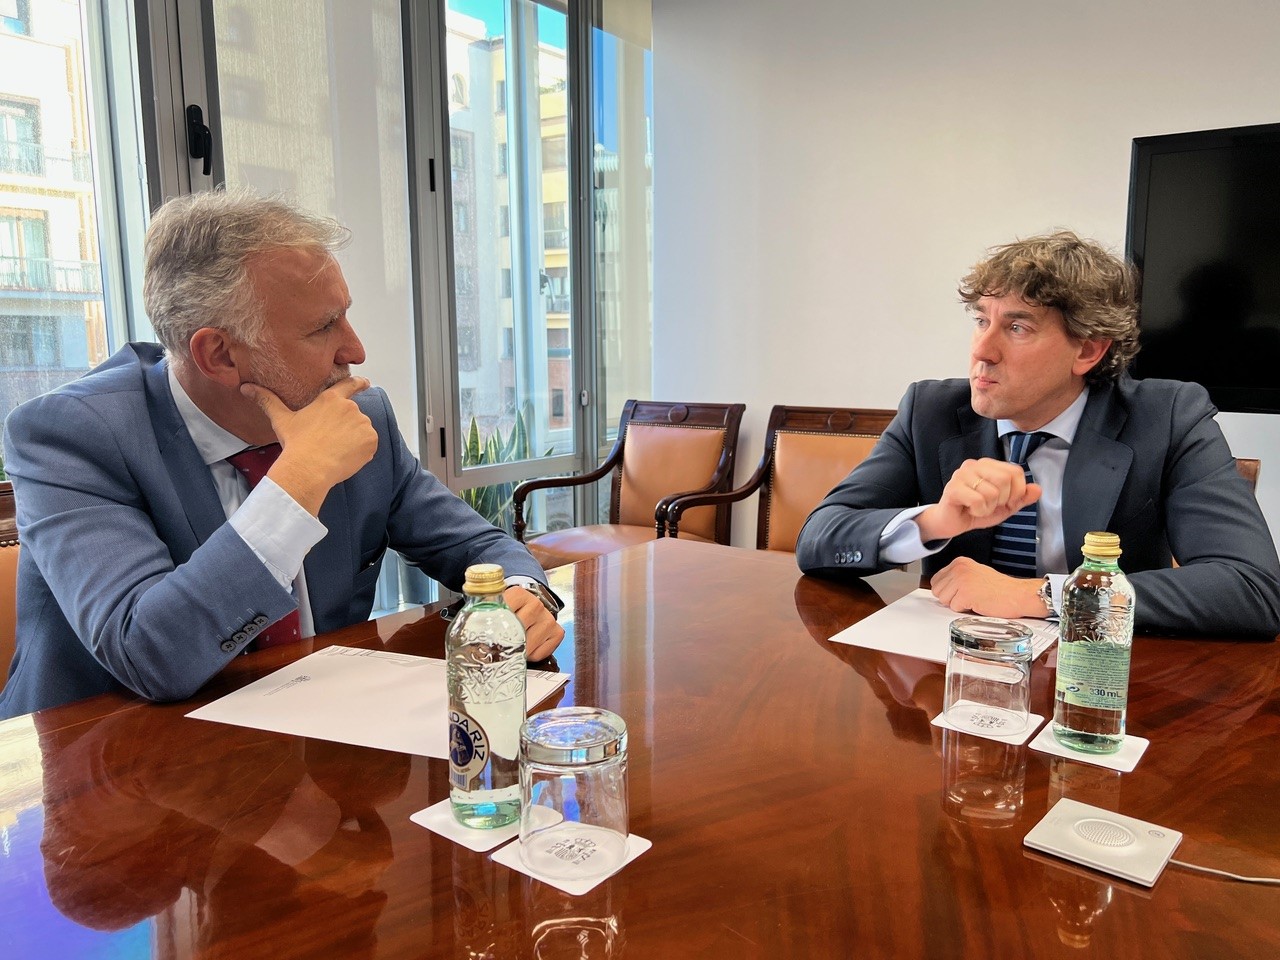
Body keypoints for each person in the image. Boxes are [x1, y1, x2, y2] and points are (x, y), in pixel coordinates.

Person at [1, 190, 564, 718]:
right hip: (107, 755)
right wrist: (298, 481)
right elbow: (150, 654)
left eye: (345, 314)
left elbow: (479, 546)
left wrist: (522, 592)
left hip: (312, 732)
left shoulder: (359, 417)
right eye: (323, 328)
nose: (356, 349)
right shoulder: (71, 437)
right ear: (219, 355)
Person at [795, 230, 1280, 637]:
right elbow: (818, 539)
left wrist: (1042, 595)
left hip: (1096, 680)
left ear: (1087, 351)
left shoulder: (1166, 417)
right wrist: (935, 521)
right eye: (981, 320)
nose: (982, 351)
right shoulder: (931, 411)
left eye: (1018, 328)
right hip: (952, 672)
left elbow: (1251, 588)